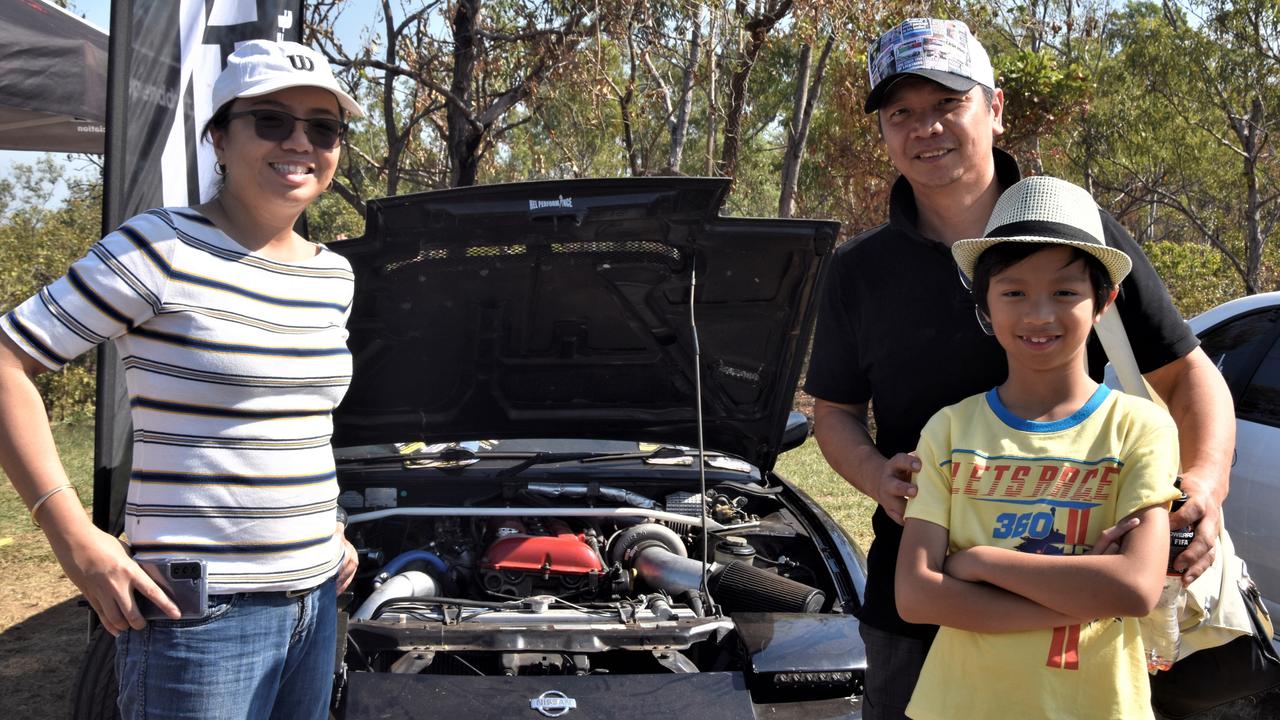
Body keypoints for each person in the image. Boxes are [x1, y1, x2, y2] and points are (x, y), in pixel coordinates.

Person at [804, 18, 1235, 720]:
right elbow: (836, 413)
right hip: (922, 602)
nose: (927, 128)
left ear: (995, 109)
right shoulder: (859, 272)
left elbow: (1186, 374)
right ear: (883, 132)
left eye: (948, 104)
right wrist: (877, 476)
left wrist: (1206, 488)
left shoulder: (1081, 230)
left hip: (1083, 605)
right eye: (901, 113)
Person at [0, 40, 363, 719]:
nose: (301, 142)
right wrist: (74, 538)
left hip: (317, 600)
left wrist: (328, 525)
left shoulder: (331, 275)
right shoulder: (156, 248)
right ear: (220, 137)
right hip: (202, 619)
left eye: (324, 127)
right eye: (273, 120)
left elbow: (299, 422)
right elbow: (5, 360)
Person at [896, 175, 1181, 719]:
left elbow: (1135, 588)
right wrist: (1082, 592)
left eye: (1065, 292)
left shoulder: (1139, 427)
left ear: (1104, 302)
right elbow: (916, 597)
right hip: (958, 706)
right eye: (1014, 292)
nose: (1038, 314)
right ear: (985, 305)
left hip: (1098, 705)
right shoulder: (951, 431)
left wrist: (977, 562)